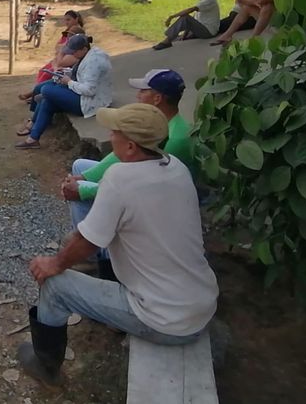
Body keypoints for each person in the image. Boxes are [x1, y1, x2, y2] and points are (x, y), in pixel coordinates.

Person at [17, 103, 219, 388]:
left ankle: (45, 365)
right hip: (201, 303)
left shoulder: (120, 179)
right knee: (109, 247)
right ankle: (111, 316)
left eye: (115, 132)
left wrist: (54, 263)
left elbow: (87, 241)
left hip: (167, 321)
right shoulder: (177, 168)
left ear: (131, 147)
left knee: (55, 284)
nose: (110, 136)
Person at [62, 69, 194, 279]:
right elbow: (118, 156)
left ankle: (95, 254)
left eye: (143, 91)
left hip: (156, 205)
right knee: (80, 167)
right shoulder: (155, 125)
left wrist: (83, 189)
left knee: (79, 191)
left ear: (157, 98)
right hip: (146, 187)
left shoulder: (175, 139)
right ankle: (91, 240)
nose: (137, 95)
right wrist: (85, 178)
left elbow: (138, 188)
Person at [15, 34, 112, 149]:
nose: (72, 54)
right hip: (82, 95)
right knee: (47, 100)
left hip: (89, 103)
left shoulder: (93, 63)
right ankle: (33, 139)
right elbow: (81, 77)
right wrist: (66, 74)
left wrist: (69, 82)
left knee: (46, 90)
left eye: (74, 52)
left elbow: (89, 90)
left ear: (84, 49)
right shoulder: (87, 55)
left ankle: (36, 118)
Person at [153, 0, 220, 50]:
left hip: (208, 31)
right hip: (203, 28)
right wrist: (185, 34)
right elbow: (195, 17)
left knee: (185, 18)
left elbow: (191, 10)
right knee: (178, 38)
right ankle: (170, 39)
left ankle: (167, 41)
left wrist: (172, 17)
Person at [26, 10, 86, 93]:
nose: (66, 22)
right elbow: (58, 46)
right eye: (65, 20)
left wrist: (59, 55)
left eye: (69, 20)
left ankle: (35, 93)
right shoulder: (70, 30)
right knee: (44, 72)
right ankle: (35, 92)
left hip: (66, 61)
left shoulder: (77, 33)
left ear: (76, 19)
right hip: (61, 59)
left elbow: (63, 49)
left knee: (47, 74)